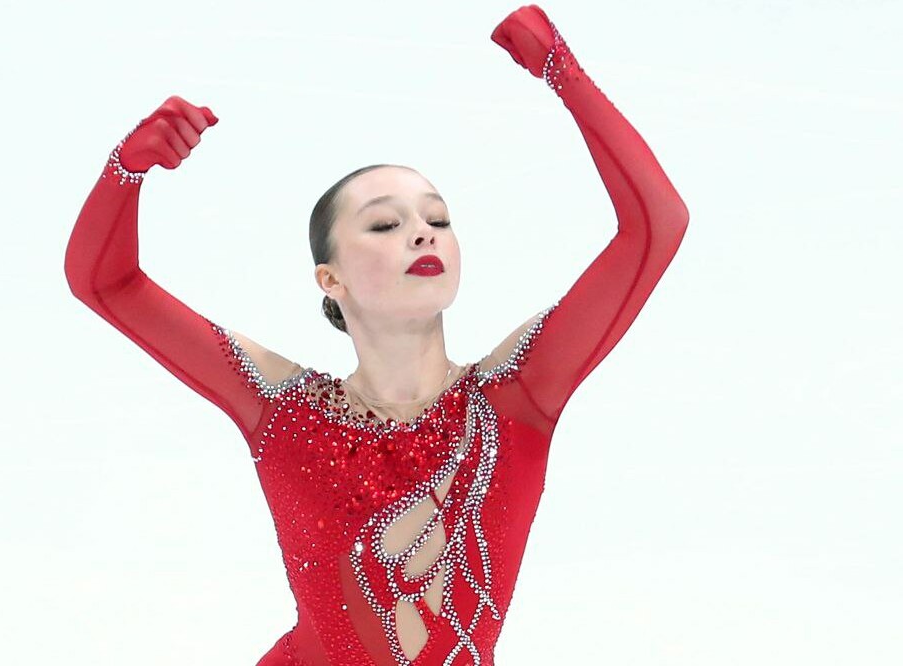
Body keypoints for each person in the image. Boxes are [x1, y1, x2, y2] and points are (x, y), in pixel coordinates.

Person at [63, 5, 689, 665]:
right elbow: (107, 284)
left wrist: (564, 73)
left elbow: (656, 226)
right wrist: (125, 170)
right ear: (330, 278)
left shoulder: (516, 395)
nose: (422, 233)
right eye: (386, 225)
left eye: (438, 220)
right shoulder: (285, 412)